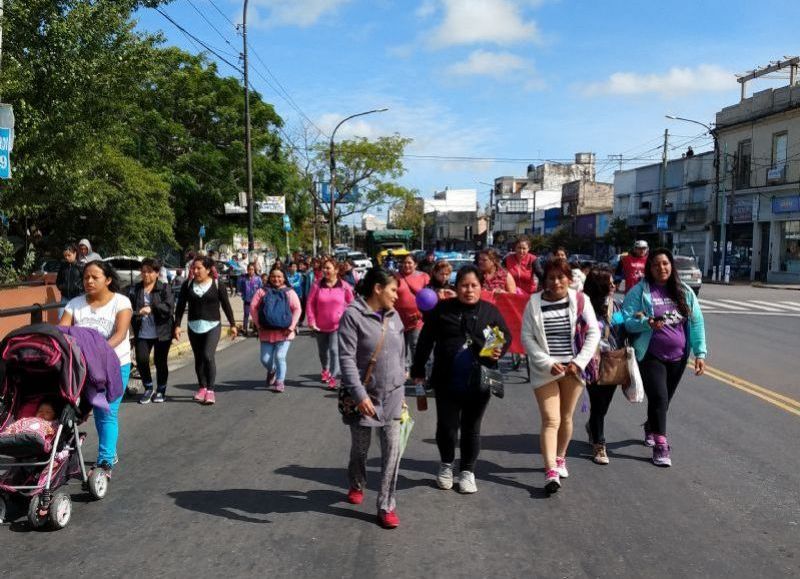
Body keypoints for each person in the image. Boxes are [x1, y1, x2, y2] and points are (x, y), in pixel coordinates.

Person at [411, 265, 511, 494]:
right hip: (446, 381)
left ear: (481, 287)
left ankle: (467, 471)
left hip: (479, 382)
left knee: (471, 428)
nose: (469, 290)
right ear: (455, 287)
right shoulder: (442, 310)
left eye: (474, 285)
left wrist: (497, 350)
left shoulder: (489, 312)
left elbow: (504, 336)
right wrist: (418, 371)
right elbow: (425, 341)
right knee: (446, 427)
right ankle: (446, 465)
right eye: (464, 285)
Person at [521, 258, 600, 494]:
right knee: (550, 419)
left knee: (566, 417)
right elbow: (527, 338)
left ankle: (560, 457)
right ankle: (550, 470)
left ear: (569, 278)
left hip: (573, 370)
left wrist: (579, 362)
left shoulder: (580, 299)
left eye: (560, 277)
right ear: (544, 280)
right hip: (545, 370)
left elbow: (594, 333)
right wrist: (547, 362)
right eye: (551, 278)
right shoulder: (533, 303)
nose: (556, 282)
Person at [622, 248, 706, 467]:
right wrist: (646, 322)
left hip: (678, 356)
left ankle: (651, 426)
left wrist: (700, 353)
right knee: (659, 397)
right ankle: (661, 445)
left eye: (666, 264)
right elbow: (626, 319)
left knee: (664, 399)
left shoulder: (684, 291)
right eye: (657, 264)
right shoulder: (640, 292)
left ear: (671, 266)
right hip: (650, 355)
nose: (662, 268)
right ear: (650, 268)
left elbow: (696, 322)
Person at [338, 268, 406, 528]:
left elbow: (401, 353)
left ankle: (386, 505)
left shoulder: (395, 316)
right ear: (377, 288)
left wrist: (401, 385)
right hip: (364, 398)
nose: (396, 296)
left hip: (393, 397)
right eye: (393, 290)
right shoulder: (352, 316)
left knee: (393, 452)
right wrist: (359, 394)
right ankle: (357, 481)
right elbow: (346, 359)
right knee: (361, 449)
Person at [60, 260, 132, 475]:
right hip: (82, 368)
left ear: (108, 279)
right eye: (85, 277)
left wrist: (97, 352)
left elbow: (119, 334)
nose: (89, 281)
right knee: (72, 412)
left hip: (114, 365)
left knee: (106, 412)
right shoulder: (74, 304)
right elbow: (62, 331)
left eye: (94, 277)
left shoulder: (121, 302)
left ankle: (105, 462)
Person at [174, 256, 238, 406]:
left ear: (208, 269)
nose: (195, 271)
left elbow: (226, 305)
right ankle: (201, 387)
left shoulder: (217, 284)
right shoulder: (187, 284)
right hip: (193, 326)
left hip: (213, 325)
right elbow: (180, 306)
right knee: (198, 358)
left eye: (199, 268)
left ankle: (210, 389)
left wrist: (233, 324)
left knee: (208, 356)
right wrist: (177, 325)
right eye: (193, 268)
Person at [582, 267, 625, 464]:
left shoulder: (617, 305)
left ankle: (592, 425)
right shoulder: (583, 306)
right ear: (599, 287)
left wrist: (640, 320)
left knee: (604, 404)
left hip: (612, 360)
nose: (614, 286)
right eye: (610, 283)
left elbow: (626, 327)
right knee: (598, 402)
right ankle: (599, 444)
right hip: (590, 361)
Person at [129, 259, 174, 404]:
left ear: (156, 273)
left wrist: (152, 308)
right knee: (141, 360)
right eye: (143, 271)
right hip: (142, 332)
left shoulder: (164, 288)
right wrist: (138, 312)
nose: (146, 274)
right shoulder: (134, 289)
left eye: (149, 271)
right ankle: (148, 388)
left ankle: (161, 390)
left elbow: (169, 308)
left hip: (162, 332)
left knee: (160, 361)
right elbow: (128, 309)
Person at [249, 267, 302, 393]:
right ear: (269, 277)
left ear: (284, 278)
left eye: (279, 276)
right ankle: (272, 371)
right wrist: (258, 324)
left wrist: (291, 327)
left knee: (280, 357)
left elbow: (297, 309)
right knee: (265, 359)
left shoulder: (289, 292)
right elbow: (253, 307)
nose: (276, 279)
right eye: (273, 276)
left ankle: (280, 381)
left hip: (284, 332)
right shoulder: (262, 291)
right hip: (266, 331)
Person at [306, 257, 354, 389]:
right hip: (320, 325)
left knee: (334, 350)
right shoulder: (316, 285)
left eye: (328, 268)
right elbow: (310, 303)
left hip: (338, 325)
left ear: (336, 270)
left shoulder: (344, 286)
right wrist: (311, 320)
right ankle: (325, 370)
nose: (325, 270)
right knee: (323, 352)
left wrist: (349, 320)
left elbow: (351, 303)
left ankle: (333, 376)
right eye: (324, 268)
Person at [394, 253, 430, 372]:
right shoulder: (395, 277)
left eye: (409, 262)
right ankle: (400, 373)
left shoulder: (423, 277)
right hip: (398, 320)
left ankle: (418, 373)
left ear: (415, 264)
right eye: (404, 262)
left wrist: (421, 314)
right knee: (399, 348)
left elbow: (430, 298)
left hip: (417, 319)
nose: (406, 265)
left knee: (416, 346)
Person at [56, 244, 84, 313]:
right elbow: (58, 280)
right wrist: (62, 287)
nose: (67, 258)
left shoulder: (81, 266)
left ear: (75, 253)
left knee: (77, 318)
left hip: (78, 297)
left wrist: (80, 289)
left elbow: (86, 280)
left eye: (69, 255)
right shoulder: (63, 266)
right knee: (61, 317)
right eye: (65, 256)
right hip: (65, 297)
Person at [237, 263, 262, 336]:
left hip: (256, 301)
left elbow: (261, 289)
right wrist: (242, 295)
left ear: (254, 270)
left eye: (252, 269)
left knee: (255, 315)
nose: (251, 271)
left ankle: (256, 329)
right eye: (249, 269)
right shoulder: (243, 279)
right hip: (247, 300)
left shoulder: (258, 279)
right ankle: (245, 329)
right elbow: (240, 288)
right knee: (246, 314)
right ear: (247, 270)